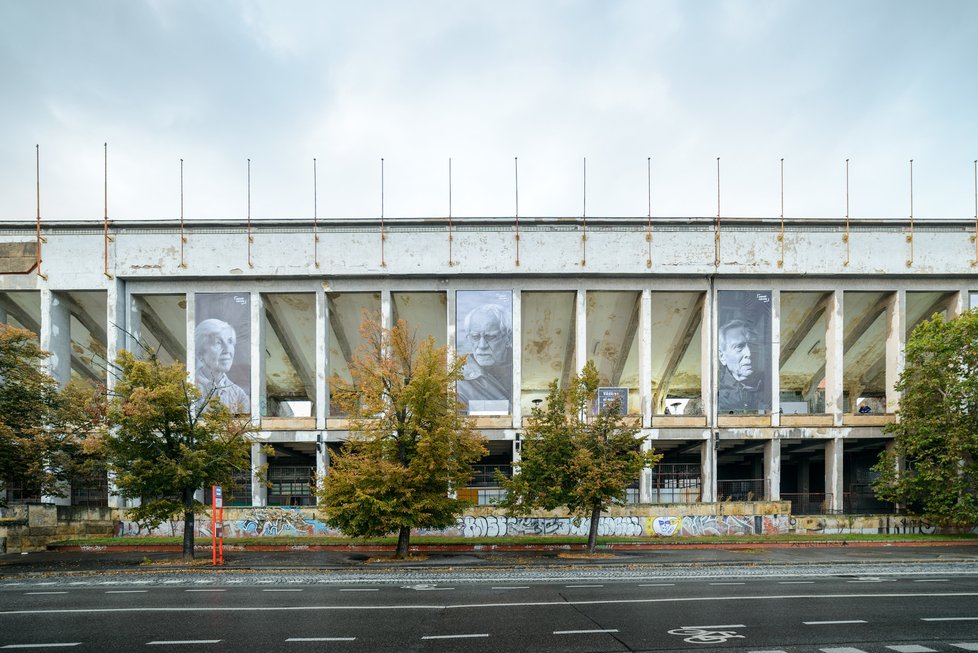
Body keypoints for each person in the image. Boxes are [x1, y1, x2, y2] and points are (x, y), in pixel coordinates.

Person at [457, 303, 512, 412]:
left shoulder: (524, 369)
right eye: (475, 337)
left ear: (508, 338)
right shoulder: (459, 381)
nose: (482, 345)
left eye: (491, 337)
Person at [195, 318, 250, 413]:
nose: (228, 349)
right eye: (218, 343)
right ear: (200, 354)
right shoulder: (186, 390)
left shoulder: (239, 395)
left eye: (230, 342)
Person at [717, 319, 769, 414]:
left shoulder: (772, 388)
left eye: (753, 345)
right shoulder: (715, 398)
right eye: (739, 347)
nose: (748, 353)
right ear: (722, 356)